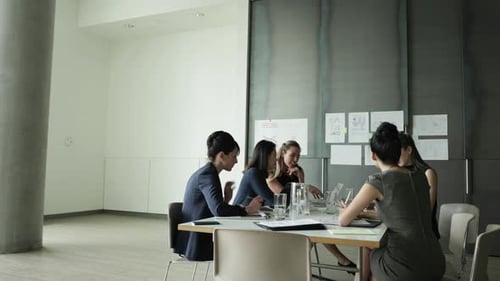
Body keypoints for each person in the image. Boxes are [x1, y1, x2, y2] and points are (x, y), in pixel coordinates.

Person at [338, 122, 445, 281]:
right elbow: (401, 213)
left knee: (366, 249)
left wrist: (346, 212)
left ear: (373, 155)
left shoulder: (377, 181)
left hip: (407, 266)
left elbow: (343, 220)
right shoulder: (420, 176)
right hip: (437, 262)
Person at [267, 140, 356, 271]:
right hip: (277, 217)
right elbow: (281, 195)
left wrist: (300, 179)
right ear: (283, 153)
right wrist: (306, 186)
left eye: (298, 156)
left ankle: (296, 265)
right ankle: (295, 265)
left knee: (318, 228)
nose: (296, 159)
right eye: (292, 155)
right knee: (311, 231)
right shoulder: (272, 170)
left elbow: (301, 199)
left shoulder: (298, 171)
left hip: (292, 215)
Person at [174, 131, 263, 261]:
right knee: (248, 248)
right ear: (222, 156)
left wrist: (226, 198)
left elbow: (214, 209)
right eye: (234, 156)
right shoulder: (207, 176)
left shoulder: (208, 173)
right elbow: (219, 210)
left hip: (199, 238)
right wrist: (247, 209)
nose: (236, 161)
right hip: (197, 244)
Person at [398, 132, 440, 239]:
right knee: (368, 243)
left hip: (423, 232)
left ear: (409, 150)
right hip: (404, 228)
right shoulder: (398, 172)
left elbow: (427, 210)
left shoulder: (427, 173)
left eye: (398, 152)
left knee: (372, 245)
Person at [233, 140, 277, 207]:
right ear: (266, 156)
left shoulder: (257, 173)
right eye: (274, 155)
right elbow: (271, 200)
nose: (276, 159)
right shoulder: (253, 173)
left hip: (247, 215)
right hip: (238, 216)